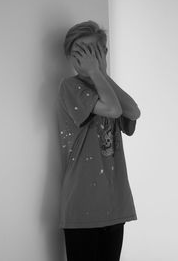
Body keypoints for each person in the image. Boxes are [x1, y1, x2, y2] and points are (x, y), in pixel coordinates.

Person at [56, 20, 141, 261]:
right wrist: (95, 72)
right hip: (83, 207)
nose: (86, 59)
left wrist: (101, 73)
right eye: (79, 52)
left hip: (114, 204)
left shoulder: (106, 87)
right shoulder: (70, 86)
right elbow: (113, 110)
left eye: (92, 52)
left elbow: (132, 112)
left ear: (103, 54)